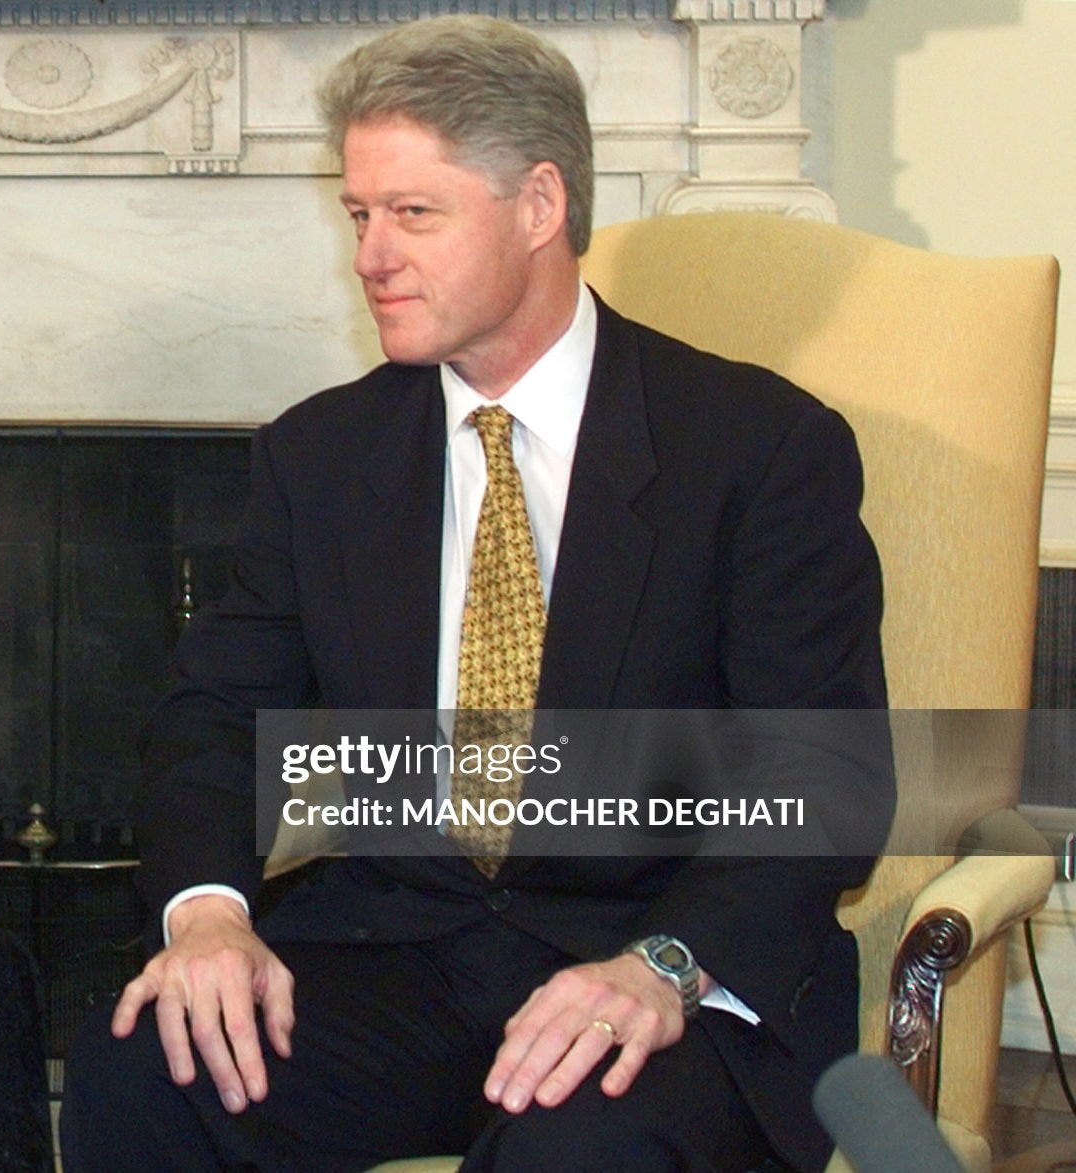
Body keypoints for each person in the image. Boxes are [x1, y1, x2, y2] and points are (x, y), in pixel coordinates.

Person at [61, 16, 886, 1172]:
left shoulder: (755, 448)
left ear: (538, 205)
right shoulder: (319, 456)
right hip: (403, 950)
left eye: (412, 213)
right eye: (357, 214)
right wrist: (207, 914)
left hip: (656, 965)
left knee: (576, 1154)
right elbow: (216, 717)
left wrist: (662, 966)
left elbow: (821, 775)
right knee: (142, 1065)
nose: (369, 256)